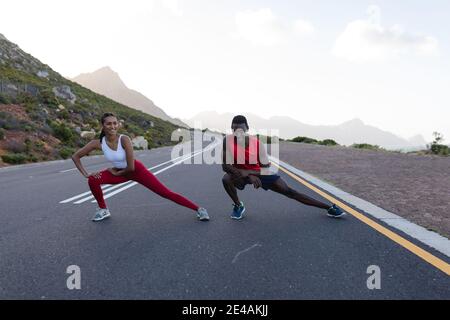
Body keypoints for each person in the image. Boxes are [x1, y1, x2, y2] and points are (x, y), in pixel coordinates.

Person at [72, 112, 209, 222]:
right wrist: (86, 174)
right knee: (93, 180)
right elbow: (76, 157)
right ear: (103, 126)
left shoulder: (124, 139)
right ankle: (103, 209)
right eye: (109, 124)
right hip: (120, 172)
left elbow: (131, 168)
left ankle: (199, 209)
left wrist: (114, 172)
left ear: (118, 124)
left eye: (115, 123)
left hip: (136, 170)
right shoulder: (97, 143)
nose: (112, 126)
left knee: (165, 193)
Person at [221, 115, 346, 220]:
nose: (238, 133)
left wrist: (250, 173)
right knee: (226, 179)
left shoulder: (257, 144)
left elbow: (266, 169)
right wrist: (246, 174)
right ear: (232, 129)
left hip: (259, 173)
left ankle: (329, 208)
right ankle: (238, 206)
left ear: (247, 128)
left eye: (241, 130)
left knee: (289, 192)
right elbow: (225, 166)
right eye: (235, 130)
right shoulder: (228, 141)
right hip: (241, 174)